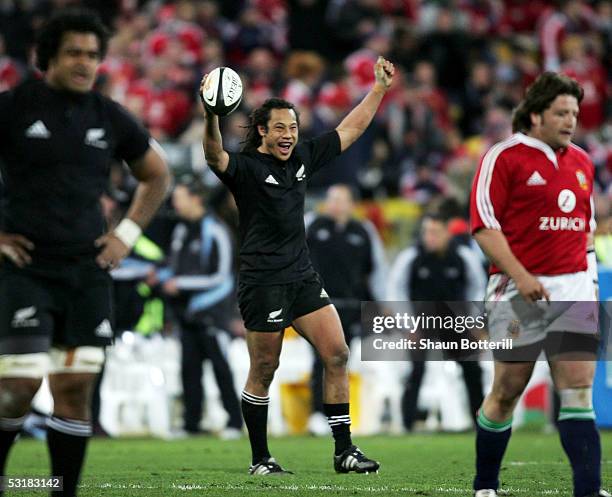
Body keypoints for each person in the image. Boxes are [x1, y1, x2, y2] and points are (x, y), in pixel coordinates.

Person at [0, 9, 169, 497]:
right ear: (47, 56)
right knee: (20, 385)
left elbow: (157, 175)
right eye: (74, 52)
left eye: (93, 55)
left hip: (87, 270)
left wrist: (126, 236)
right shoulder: (12, 107)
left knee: (74, 390)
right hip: (25, 268)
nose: (84, 63)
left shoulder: (108, 115)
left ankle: (59, 491)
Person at [200, 56, 394, 475]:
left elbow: (351, 129)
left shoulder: (303, 158)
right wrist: (211, 116)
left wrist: (378, 89)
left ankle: (344, 451)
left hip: (302, 277)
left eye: (293, 127)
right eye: (281, 128)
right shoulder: (247, 167)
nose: (289, 135)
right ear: (263, 132)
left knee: (338, 354)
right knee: (264, 368)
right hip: (262, 281)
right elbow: (215, 156)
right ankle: (260, 458)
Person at [469, 72, 608, 497]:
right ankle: (486, 486)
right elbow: (484, 228)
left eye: (575, 113)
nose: (570, 121)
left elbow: (586, 230)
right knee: (507, 391)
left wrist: (591, 282)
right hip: (516, 294)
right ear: (535, 115)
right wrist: (524, 276)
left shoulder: (583, 161)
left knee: (578, 389)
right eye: (561, 112)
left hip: (574, 290)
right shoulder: (504, 157)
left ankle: (587, 490)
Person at [155, 176, 243, 438]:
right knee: (189, 369)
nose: (174, 203)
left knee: (220, 368)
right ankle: (191, 424)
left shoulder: (215, 230)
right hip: (186, 313)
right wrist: (159, 276)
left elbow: (222, 276)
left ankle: (234, 423)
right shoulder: (182, 230)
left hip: (213, 313)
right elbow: (174, 265)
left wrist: (179, 283)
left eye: (179, 197)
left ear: (196, 199)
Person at [387, 212, 487, 431]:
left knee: (472, 369)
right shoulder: (411, 256)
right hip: (421, 323)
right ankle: (407, 424)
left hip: (456, 322)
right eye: (427, 232)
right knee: (415, 370)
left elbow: (478, 287)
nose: (430, 237)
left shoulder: (463, 256)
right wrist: (408, 325)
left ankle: (480, 422)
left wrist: (473, 322)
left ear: (447, 234)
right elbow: (396, 291)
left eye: (435, 232)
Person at [305, 184, 386, 435]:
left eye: (340, 199)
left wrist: (382, 304)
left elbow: (377, 269)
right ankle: (318, 413)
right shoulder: (312, 225)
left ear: (351, 204)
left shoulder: (364, 231)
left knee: (341, 358)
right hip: (318, 304)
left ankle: (339, 415)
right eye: (331, 199)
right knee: (320, 358)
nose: (335, 204)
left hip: (351, 306)